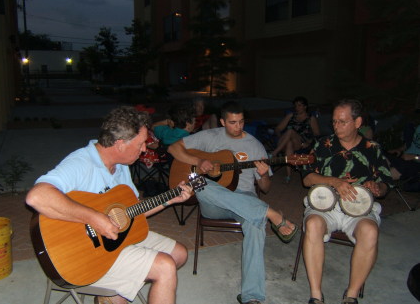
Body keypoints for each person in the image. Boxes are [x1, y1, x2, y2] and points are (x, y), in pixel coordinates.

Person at [25, 106, 194, 304]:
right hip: (83, 254)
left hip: (120, 240)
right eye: (141, 144)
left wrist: (169, 199)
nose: (144, 150)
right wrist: (95, 218)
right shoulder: (81, 163)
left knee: (179, 254)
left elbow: (133, 212)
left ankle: (114, 291)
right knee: (164, 266)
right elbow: (36, 197)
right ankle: (113, 291)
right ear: (120, 144)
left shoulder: (122, 167)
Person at [168, 101, 298, 304]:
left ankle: (252, 297)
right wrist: (199, 162)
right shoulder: (210, 136)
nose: (238, 127)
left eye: (241, 122)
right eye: (232, 122)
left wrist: (263, 175)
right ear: (222, 122)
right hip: (214, 202)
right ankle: (271, 213)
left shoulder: (254, 145)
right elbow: (173, 149)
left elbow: (265, 188)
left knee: (256, 225)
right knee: (199, 182)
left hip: (245, 198)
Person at [301, 98, 393, 304]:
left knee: (370, 231)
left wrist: (378, 188)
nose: (336, 126)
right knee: (313, 224)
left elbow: (386, 183)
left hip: (359, 209)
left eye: (342, 122)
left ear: (358, 122)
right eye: (334, 121)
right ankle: (316, 295)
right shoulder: (323, 145)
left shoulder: (372, 148)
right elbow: (307, 178)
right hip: (325, 206)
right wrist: (334, 181)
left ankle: (350, 296)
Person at [271, 96, 320, 183]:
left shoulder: (311, 119)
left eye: (300, 105)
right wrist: (281, 137)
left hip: (299, 143)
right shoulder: (290, 116)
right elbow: (278, 129)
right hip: (284, 143)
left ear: (305, 107)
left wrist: (308, 142)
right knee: (289, 141)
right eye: (296, 105)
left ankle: (274, 153)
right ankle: (288, 175)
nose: (297, 108)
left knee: (290, 132)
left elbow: (317, 134)